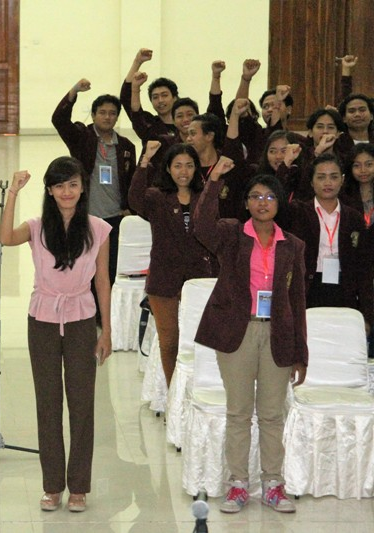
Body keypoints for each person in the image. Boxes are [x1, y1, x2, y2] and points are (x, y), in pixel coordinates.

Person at [0, 157, 111, 513]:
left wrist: (106, 330)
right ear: (49, 189)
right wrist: (13, 193)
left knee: (81, 405)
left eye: (73, 185)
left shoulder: (98, 228)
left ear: (82, 188)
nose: (67, 192)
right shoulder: (36, 227)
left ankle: (79, 486)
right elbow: (4, 238)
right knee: (47, 404)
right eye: (60, 185)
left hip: (81, 319)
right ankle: (52, 486)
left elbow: (103, 281)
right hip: (43, 319)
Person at [193, 171, 307, 515]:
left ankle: (273, 484)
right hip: (236, 332)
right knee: (239, 412)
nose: (262, 203)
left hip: (278, 333)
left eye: (269, 197)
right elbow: (201, 226)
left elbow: (298, 300)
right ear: (246, 203)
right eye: (255, 196)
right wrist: (214, 183)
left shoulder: (294, 245)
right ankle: (238, 485)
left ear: (279, 203)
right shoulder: (231, 234)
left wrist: (301, 353)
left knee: (272, 414)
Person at [128, 141, 220, 387]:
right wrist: (144, 160)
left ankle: (199, 388)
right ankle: (172, 392)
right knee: (169, 341)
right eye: (177, 165)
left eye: (189, 165)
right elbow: (134, 200)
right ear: (168, 169)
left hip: (200, 278)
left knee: (199, 340)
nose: (183, 171)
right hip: (164, 279)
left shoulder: (205, 196)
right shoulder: (157, 198)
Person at [51, 80, 137, 286]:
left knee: (110, 268)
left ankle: (104, 314)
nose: (107, 117)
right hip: (85, 215)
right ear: (93, 115)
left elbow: (132, 180)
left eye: (112, 113)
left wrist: (129, 208)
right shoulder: (82, 137)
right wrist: (74, 91)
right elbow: (59, 119)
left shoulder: (126, 146)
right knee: (84, 265)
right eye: (102, 112)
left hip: (115, 218)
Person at [284, 153, 373, 333]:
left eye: (333, 177)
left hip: (345, 288)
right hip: (309, 286)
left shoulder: (353, 217)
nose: (328, 183)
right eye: (321, 177)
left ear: (342, 180)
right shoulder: (298, 212)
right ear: (311, 182)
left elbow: (364, 269)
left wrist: (367, 316)